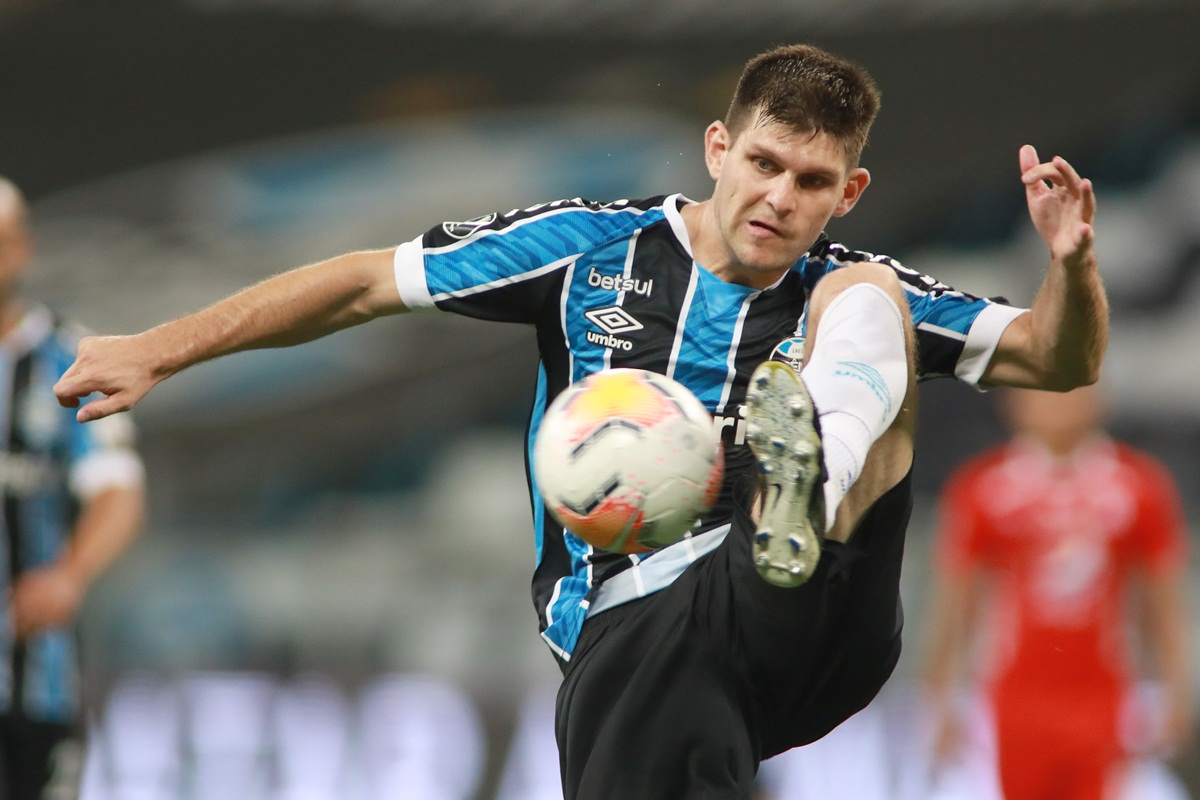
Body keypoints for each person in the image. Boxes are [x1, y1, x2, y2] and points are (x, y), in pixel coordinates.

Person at [51, 44, 1106, 799]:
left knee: (869, 296)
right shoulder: (587, 249)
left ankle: (806, 481)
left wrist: (1073, 262)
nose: (782, 196)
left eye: (814, 181)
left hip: (809, 609)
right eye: (765, 163)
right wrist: (160, 345)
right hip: (641, 612)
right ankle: (795, 493)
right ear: (717, 147)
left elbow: (1060, 359)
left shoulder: (842, 274)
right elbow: (365, 285)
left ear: (851, 187)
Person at [921, 385, 1192, 800]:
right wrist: (938, 700)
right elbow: (955, 606)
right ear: (1013, 404)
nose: (1058, 406)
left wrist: (1176, 689)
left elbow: (1163, 602)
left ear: (1100, 399)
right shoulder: (983, 487)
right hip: (1011, 699)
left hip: (1104, 696)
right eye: (1045, 393)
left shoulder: (1138, 485)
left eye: (1072, 392)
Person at [0, 177, 146, 799]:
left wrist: (68, 575)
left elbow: (118, 489)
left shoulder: (70, 358)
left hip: (37, 676)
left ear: (22, 248)